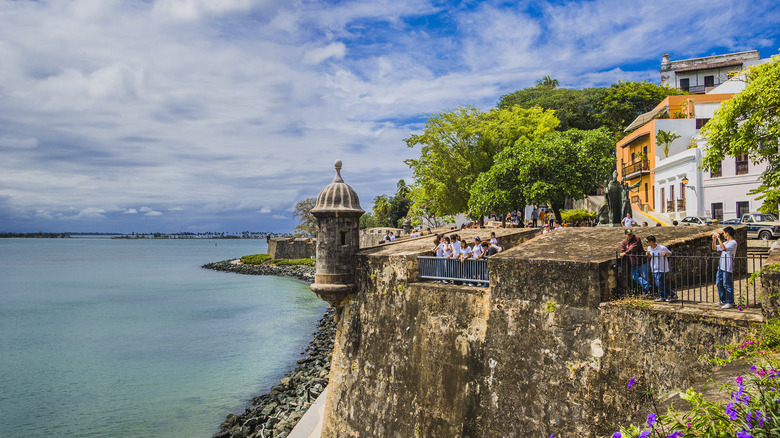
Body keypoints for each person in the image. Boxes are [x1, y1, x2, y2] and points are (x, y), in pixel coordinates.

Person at [619, 228, 652, 295]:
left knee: (644, 276)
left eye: (631, 234)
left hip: (642, 261)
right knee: (634, 277)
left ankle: (645, 292)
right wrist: (623, 254)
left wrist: (625, 253)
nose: (630, 235)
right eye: (628, 235)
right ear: (625, 235)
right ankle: (647, 286)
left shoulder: (637, 239)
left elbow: (633, 248)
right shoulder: (624, 242)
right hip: (633, 262)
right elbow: (623, 249)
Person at [713, 227, 738, 309]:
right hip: (721, 266)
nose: (723, 235)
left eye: (724, 233)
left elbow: (723, 249)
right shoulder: (726, 242)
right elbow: (715, 248)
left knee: (727, 284)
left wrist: (719, 239)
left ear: (727, 233)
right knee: (719, 283)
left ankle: (730, 302)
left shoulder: (733, 243)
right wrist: (714, 239)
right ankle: (723, 300)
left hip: (728, 266)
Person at [645, 235, 675, 302]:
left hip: (661, 267)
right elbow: (651, 256)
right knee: (658, 283)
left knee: (659, 282)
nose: (646, 243)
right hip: (654, 267)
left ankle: (670, 294)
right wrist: (648, 254)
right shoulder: (649, 248)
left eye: (647, 242)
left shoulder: (662, 247)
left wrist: (666, 254)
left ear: (651, 242)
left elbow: (670, 253)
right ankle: (663, 296)